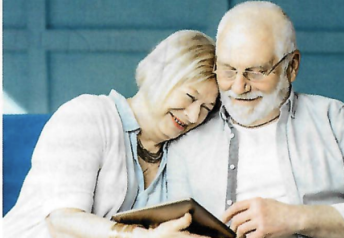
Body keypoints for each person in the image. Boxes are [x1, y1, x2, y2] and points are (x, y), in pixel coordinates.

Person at [167, 2, 344, 238]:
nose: (239, 87)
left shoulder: (333, 119)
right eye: (228, 70)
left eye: (257, 71)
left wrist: (296, 219)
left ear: (292, 67)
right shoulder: (188, 135)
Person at [4, 30, 218, 238]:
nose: (193, 115)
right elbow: (61, 222)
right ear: (161, 76)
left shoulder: (179, 154)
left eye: (206, 108)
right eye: (190, 97)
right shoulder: (87, 114)